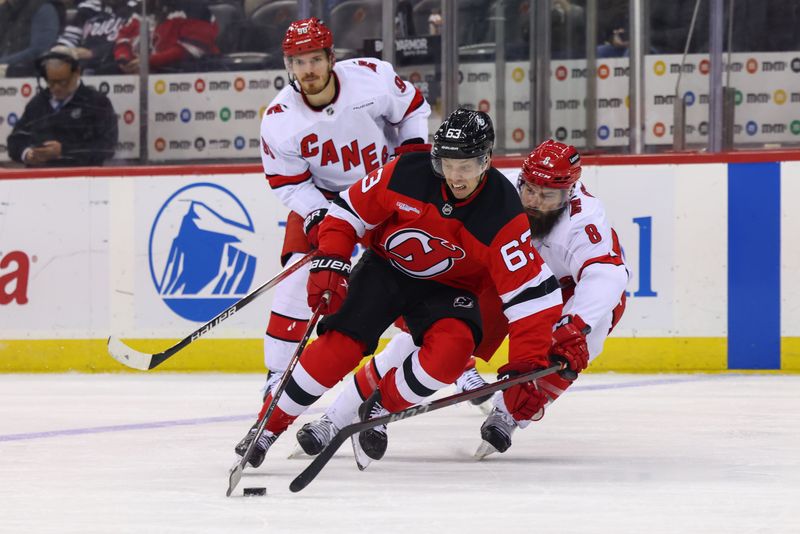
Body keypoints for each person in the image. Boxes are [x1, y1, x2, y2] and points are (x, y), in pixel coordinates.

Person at [236, 109, 576, 471]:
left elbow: (529, 297)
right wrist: (331, 258)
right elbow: (347, 212)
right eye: (447, 163)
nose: (455, 176)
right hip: (386, 270)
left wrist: (524, 364)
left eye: (466, 165)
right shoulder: (406, 172)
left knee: (452, 351)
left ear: (486, 160)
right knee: (338, 348)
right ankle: (267, 427)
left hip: (449, 289)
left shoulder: (503, 212)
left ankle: (381, 406)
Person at [294, 139, 628, 462]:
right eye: (530, 189)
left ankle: (508, 415)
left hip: (568, 291)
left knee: (572, 345)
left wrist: (576, 323)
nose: (534, 202)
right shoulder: (500, 190)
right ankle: (335, 418)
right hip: (503, 281)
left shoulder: (584, 221)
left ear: (569, 193)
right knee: (417, 340)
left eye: (548, 195)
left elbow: (607, 276)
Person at [232, 17, 431, 467]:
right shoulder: (280, 120)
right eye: (297, 62)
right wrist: (321, 213)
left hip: (385, 198)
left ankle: (375, 398)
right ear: (288, 65)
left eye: (314, 59)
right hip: (324, 202)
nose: (307, 70)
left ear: (330, 58)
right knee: (295, 282)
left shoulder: (371, 78)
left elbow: (413, 110)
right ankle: (276, 379)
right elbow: (287, 184)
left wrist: (412, 155)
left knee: (409, 285)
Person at [7, 46, 118, 167]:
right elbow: (15, 141)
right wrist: (27, 154)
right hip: (40, 180)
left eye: (63, 82)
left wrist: (64, 151)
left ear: (77, 73)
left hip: (83, 179)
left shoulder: (96, 102)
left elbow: (107, 147)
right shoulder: (37, 103)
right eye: (51, 82)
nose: (57, 88)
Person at [113, 0, 220, 74]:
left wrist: (149, 62)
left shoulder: (195, 7)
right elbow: (123, 39)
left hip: (184, 77)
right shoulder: (144, 8)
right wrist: (125, 59)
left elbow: (191, 49)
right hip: (143, 74)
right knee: (107, 69)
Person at [56, 0, 135, 74]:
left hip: (119, 71)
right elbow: (69, 37)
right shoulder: (88, 8)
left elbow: (131, 43)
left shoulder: (137, 8)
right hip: (83, 70)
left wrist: (94, 53)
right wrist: (62, 50)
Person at [0, 0, 65, 78]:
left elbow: (40, 50)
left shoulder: (43, 8)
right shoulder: (4, 10)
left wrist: (4, 62)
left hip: (28, 75)